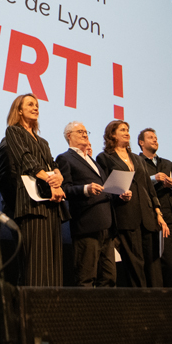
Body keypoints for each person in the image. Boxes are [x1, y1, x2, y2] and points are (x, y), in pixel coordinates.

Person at [0, 94, 67, 286]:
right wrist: (52, 181)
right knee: (35, 266)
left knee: (54, 265)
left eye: (36, 105)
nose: (35, 107)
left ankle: (51, 310)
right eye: (30, 104)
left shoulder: (42, 141)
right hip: (31, 205)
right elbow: (26, 160)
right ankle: (31, 311)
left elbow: (52, 163)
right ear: (19, 110)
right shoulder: (13, 132)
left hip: (51, 205)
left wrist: (58, 176)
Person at [97, 120, 168, 287]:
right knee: (135, 263)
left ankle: (156, 301)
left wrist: (158, 212)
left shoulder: (137, 158)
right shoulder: (104, 158)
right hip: (125, 214)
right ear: (112, 135)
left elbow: (149, 187)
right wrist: (117, 196)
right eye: (122, 130)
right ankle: (140, 302)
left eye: (127, 129)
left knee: (152, 262)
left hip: (148, 215)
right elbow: (105, 186)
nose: (127, 132)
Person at [56, 122, 115, 288]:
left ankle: (107, 314)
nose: (84, 134)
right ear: (69, 136)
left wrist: (119, 192)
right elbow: (64, 189)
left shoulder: (92, 160)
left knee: (109, 278)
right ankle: (87, 314)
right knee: (86, 278)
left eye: (85, 131)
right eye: (80, 131)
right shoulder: (64, 158)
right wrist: (85, 189)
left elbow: (103, 187)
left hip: (106, 226)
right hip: (86, 225)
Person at [138, 128, 172, 296]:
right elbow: (139, 187)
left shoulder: (167, 163)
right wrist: (155, 179)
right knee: (167, 265)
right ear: (141, 142)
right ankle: (171, 306)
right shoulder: (137, 162)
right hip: (160, 218)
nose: (155, 140)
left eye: (156, 137)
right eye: (150, 138)